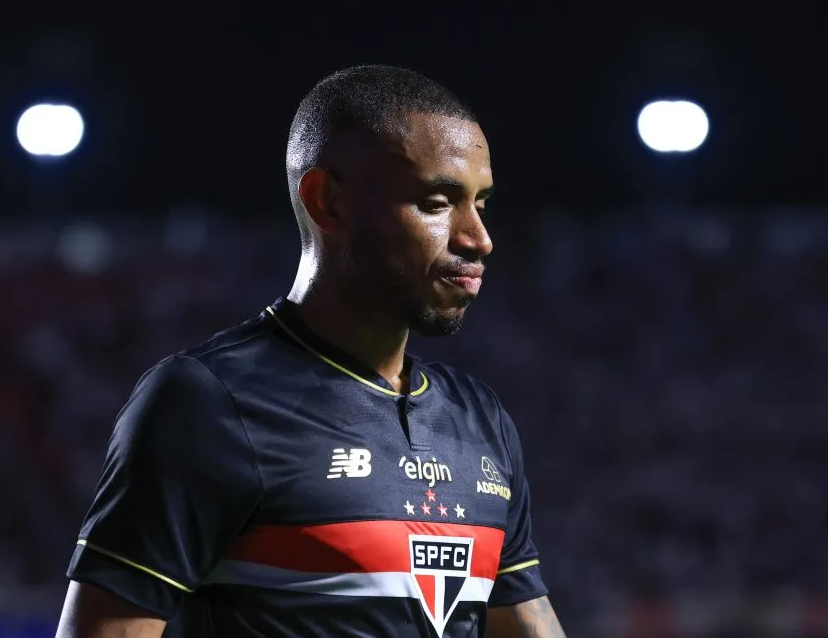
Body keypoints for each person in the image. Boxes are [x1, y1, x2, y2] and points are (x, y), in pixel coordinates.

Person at [54, 65, 565, 638]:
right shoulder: (206, 402)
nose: (477, 237)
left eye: (482, 203)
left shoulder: (481, 419)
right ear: (328, 202)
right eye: (437, 201)